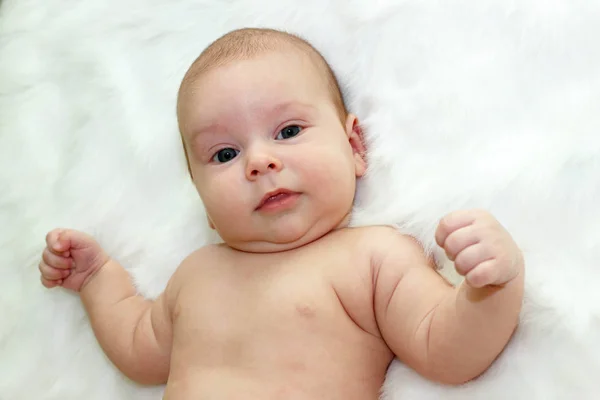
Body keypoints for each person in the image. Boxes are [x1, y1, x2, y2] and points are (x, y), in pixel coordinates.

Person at [38, 28, 524, 399]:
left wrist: (493, 286)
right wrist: (99, 279)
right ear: (202, 201)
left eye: (288, 131)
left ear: (354, 146)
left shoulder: (373, 257)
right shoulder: (197, 274)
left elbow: (446, 349)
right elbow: (139, 350)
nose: (259, 162)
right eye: (224, 155)